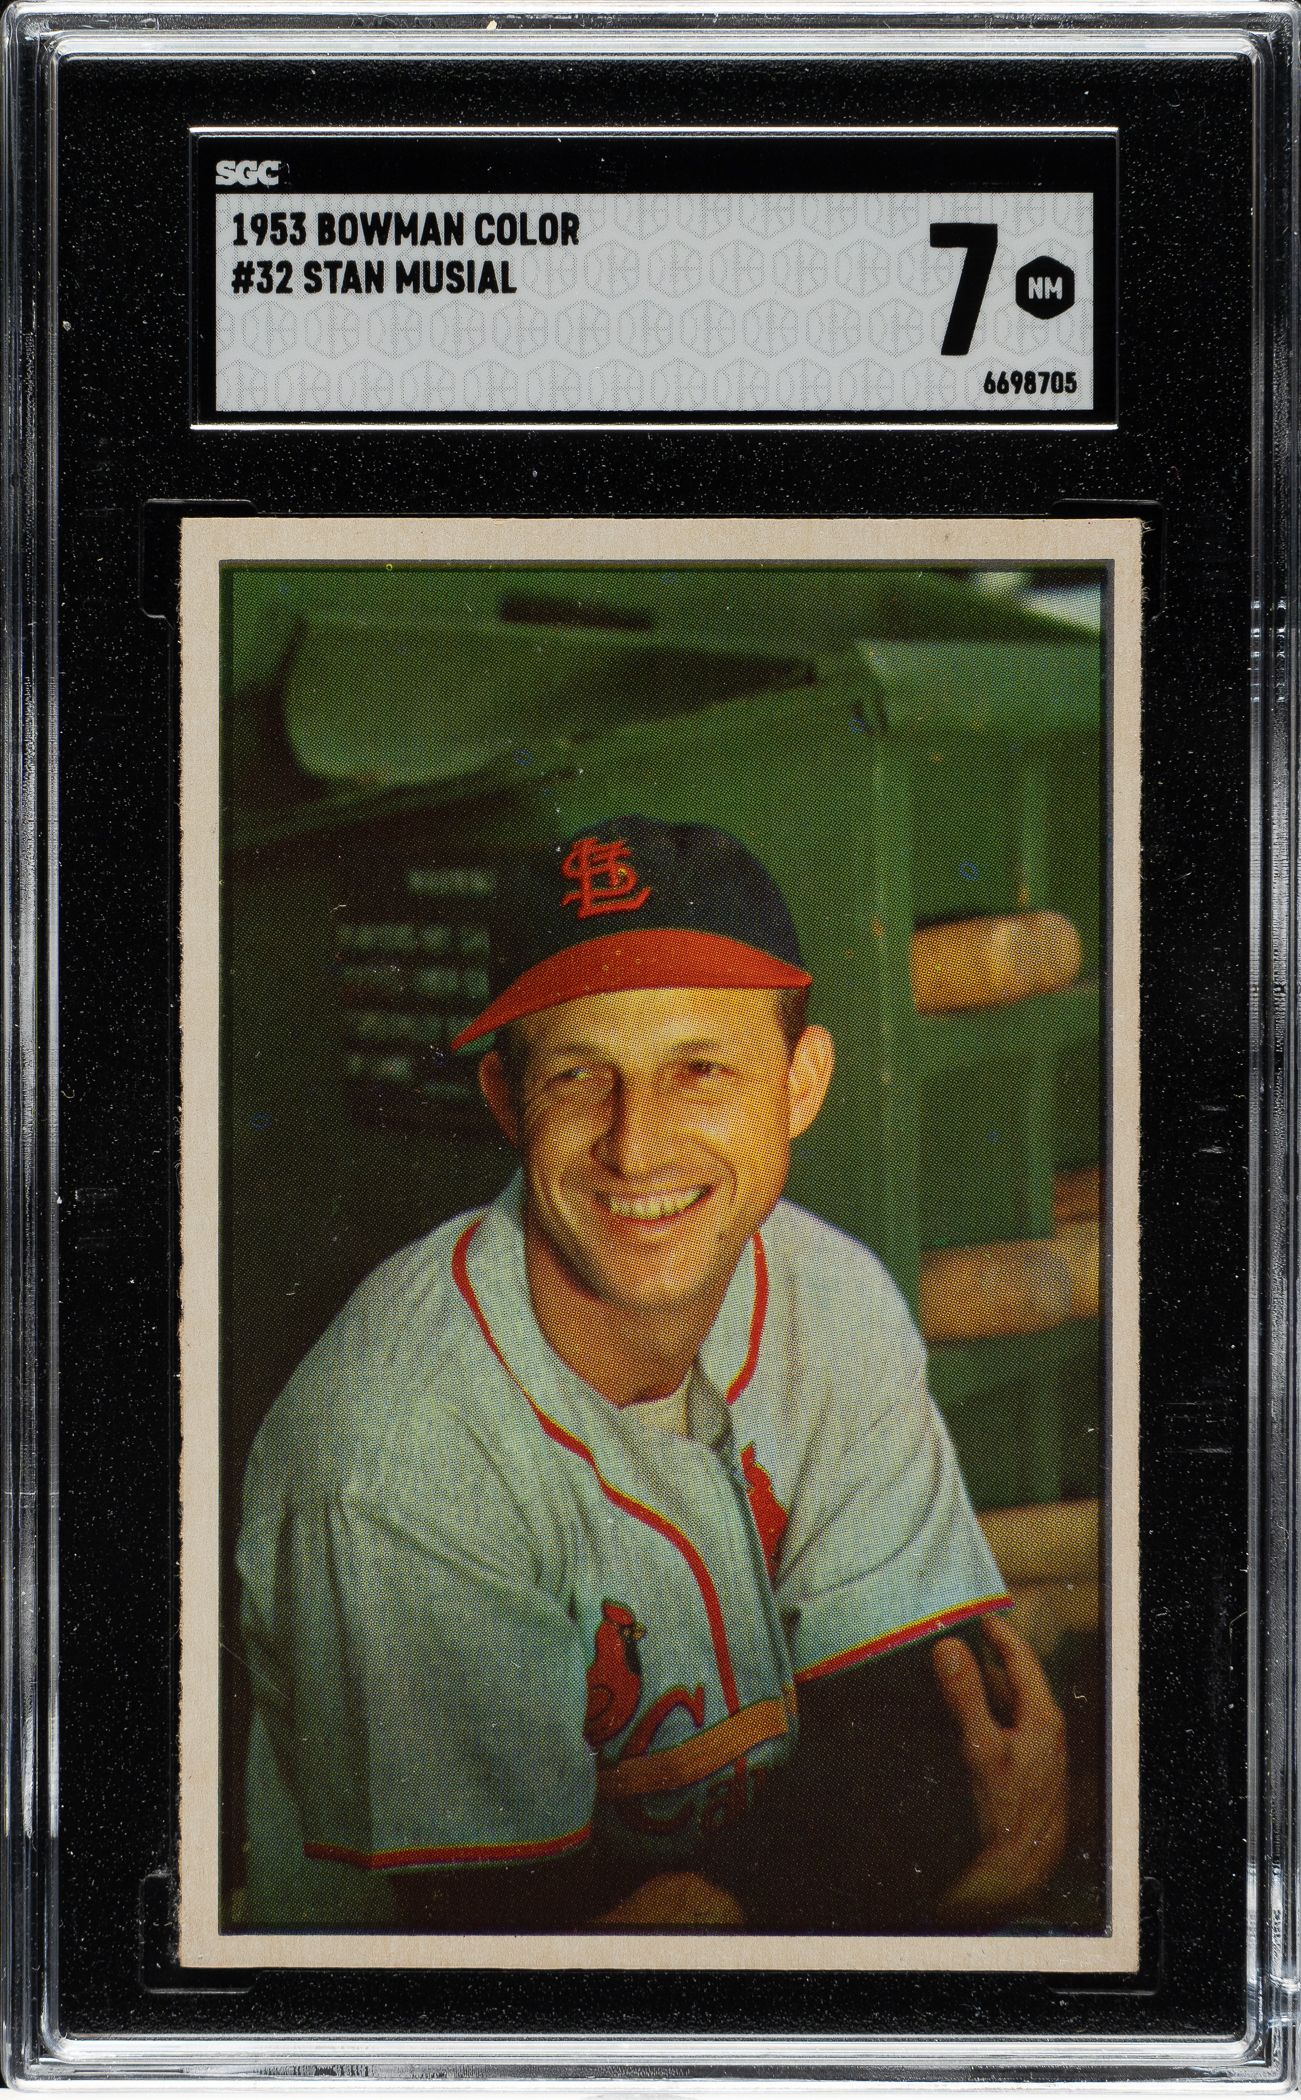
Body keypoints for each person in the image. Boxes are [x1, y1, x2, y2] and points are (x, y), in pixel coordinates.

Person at [238, 817, 1067, 1933]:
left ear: (800, 1084)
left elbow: (923, 1734)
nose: (635, 1145)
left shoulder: (830, 1293)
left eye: (699, 1070)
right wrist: (939, 1902)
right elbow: (530, 1946)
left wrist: (746, 1906)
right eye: (580, 1075)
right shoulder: (393, 1447)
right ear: (505, 1100)